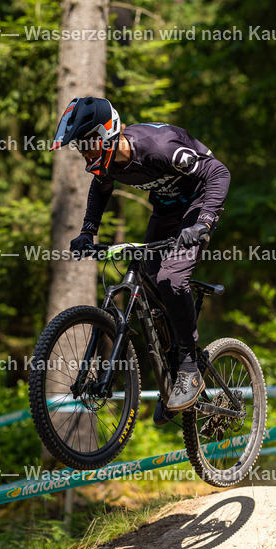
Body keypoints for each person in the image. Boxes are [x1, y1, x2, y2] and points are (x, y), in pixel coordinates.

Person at [52, 95, 231, 420]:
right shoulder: (108, 163)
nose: (84, 153)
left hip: (199, 201)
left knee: (170, 277)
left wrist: (203, 223)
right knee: (148, 277)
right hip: (166, 209)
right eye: (80, 147)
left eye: (87, 144)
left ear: (106, 134)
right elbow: (100, 189)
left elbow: (219, 173)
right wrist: (88, 232)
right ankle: (172, 370)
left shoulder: (158, 148)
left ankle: (189, 366)